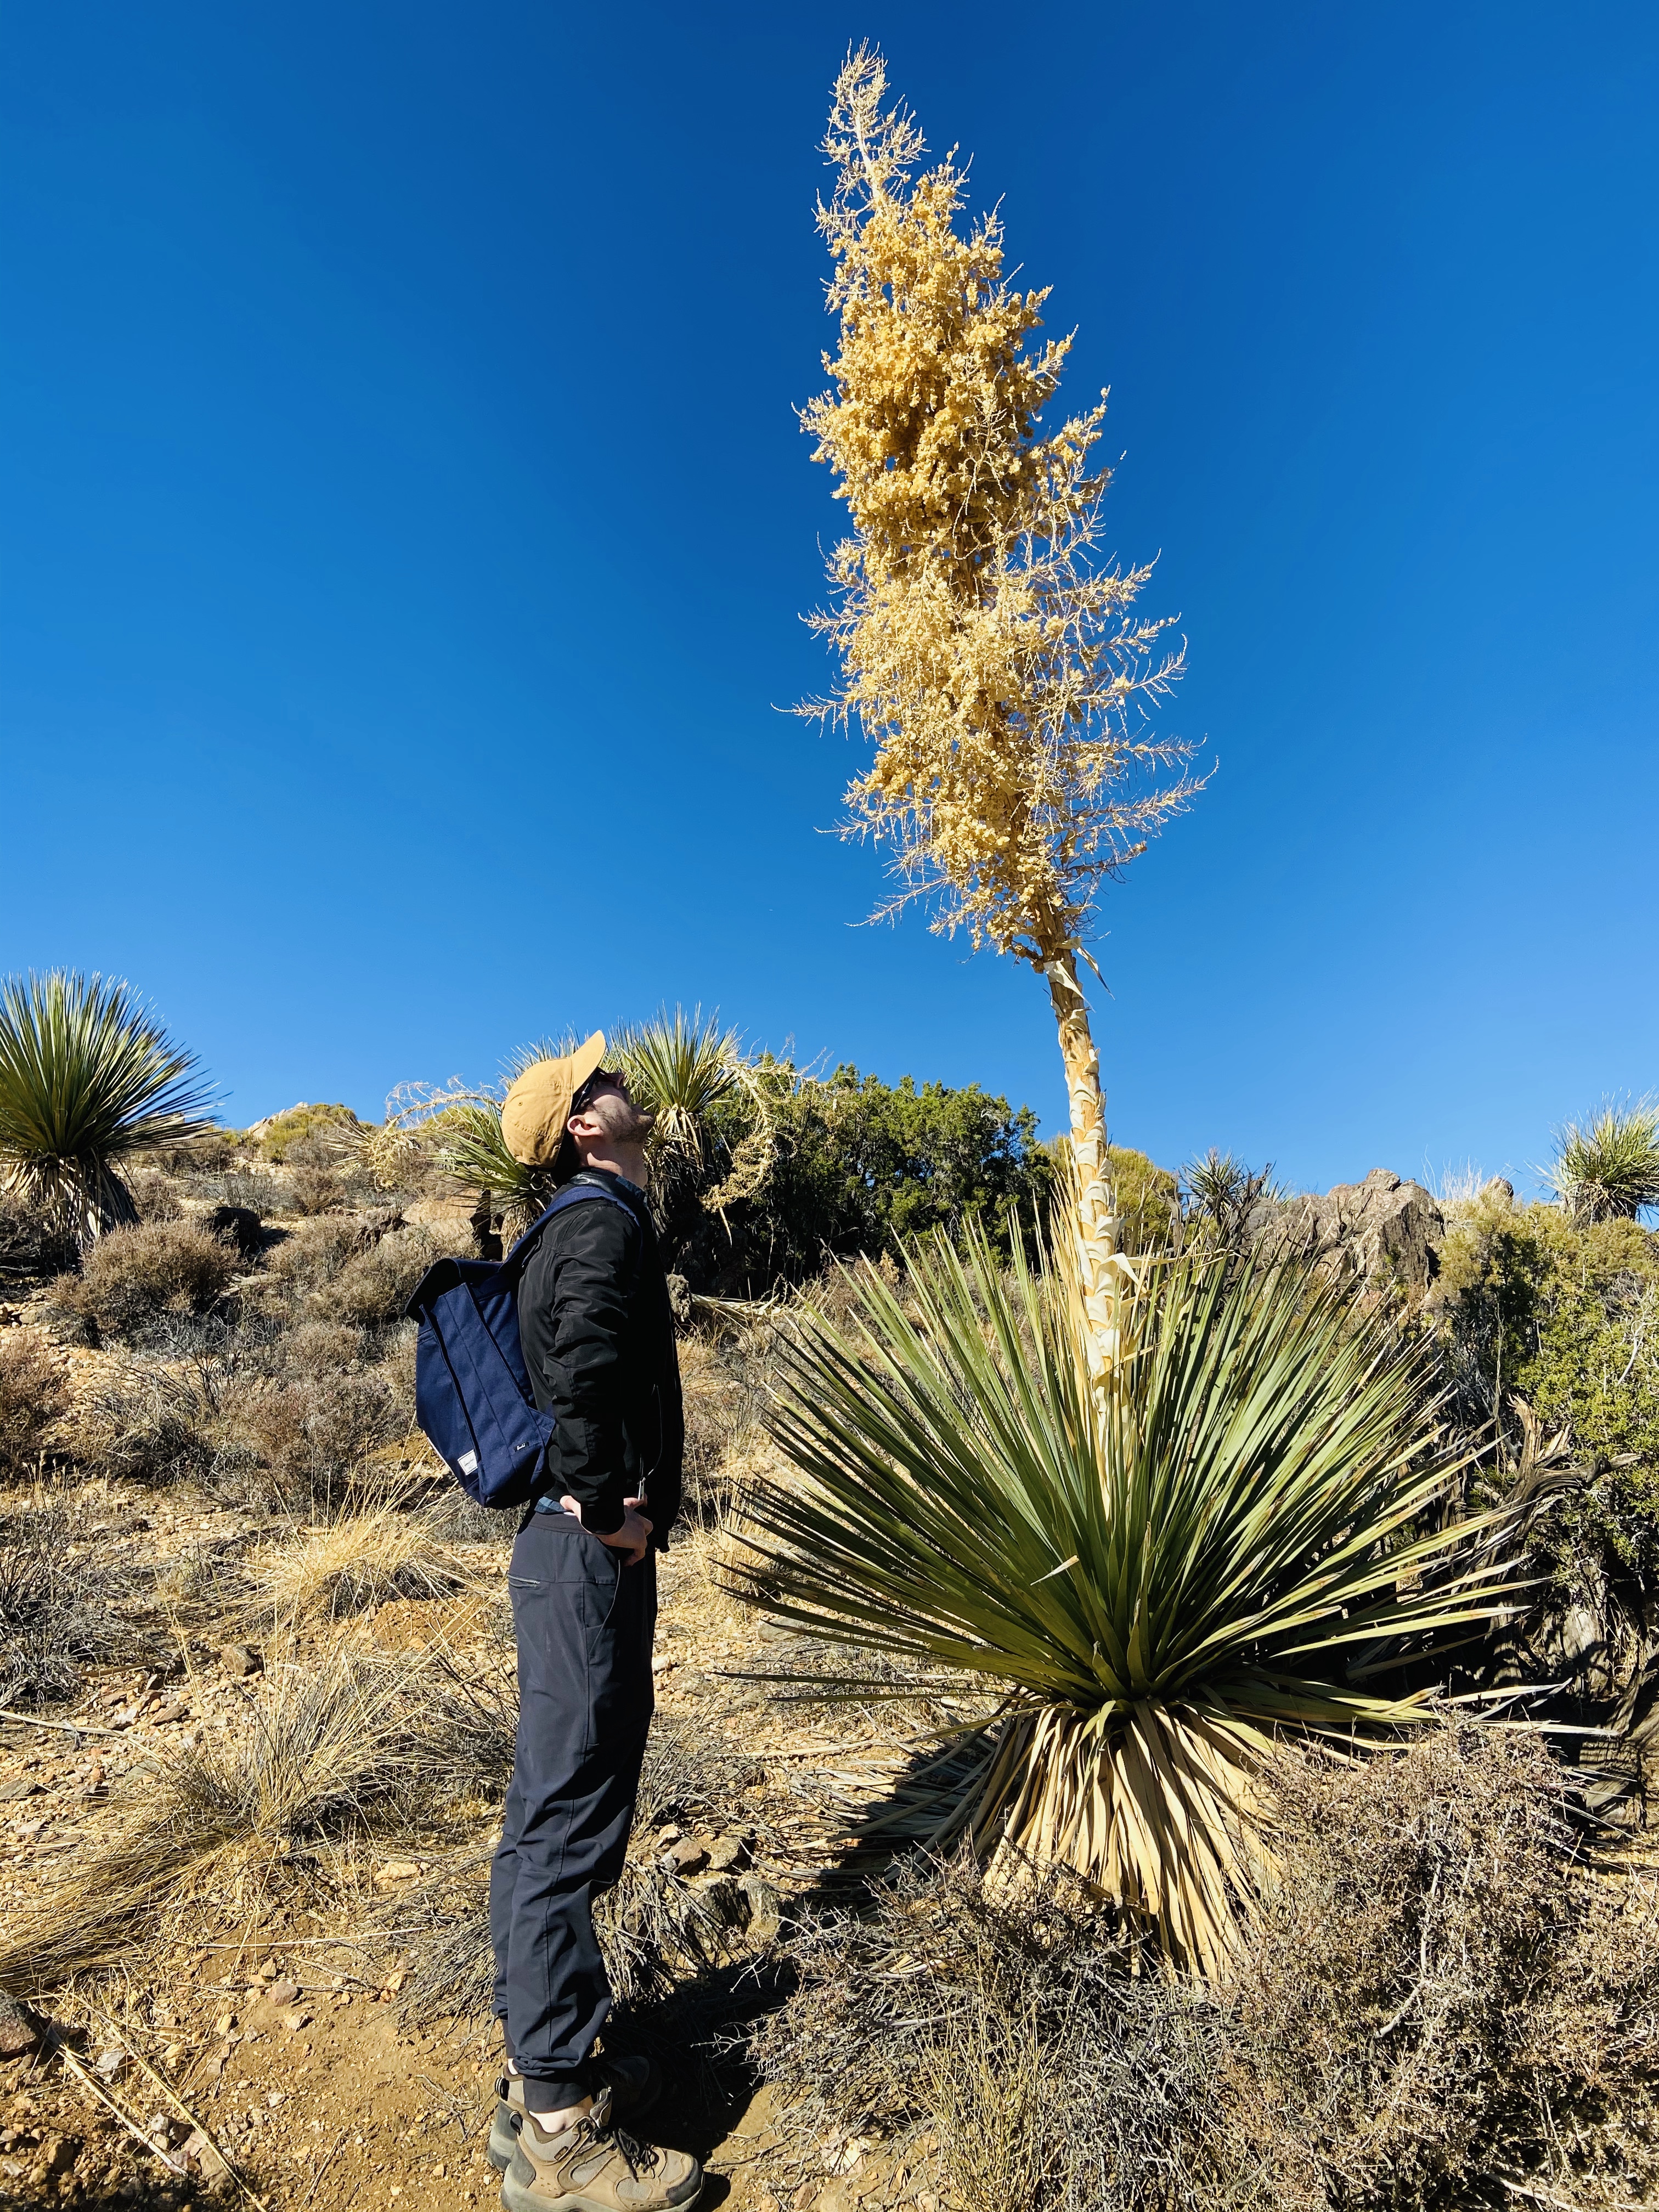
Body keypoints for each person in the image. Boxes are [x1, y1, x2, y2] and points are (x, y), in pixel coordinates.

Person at [484, 1032, 700, 2212]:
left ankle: (543, 2080)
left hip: (565, 1556)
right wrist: (610, 1505)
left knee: (559, 1803)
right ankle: (561, 2130)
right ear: (583, 1123)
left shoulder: (582, 1222)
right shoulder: (597, 1224)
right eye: (601, 1081)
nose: (623, 1084)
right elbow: (582, 1367)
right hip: (582, 1552)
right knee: (566, 1814)